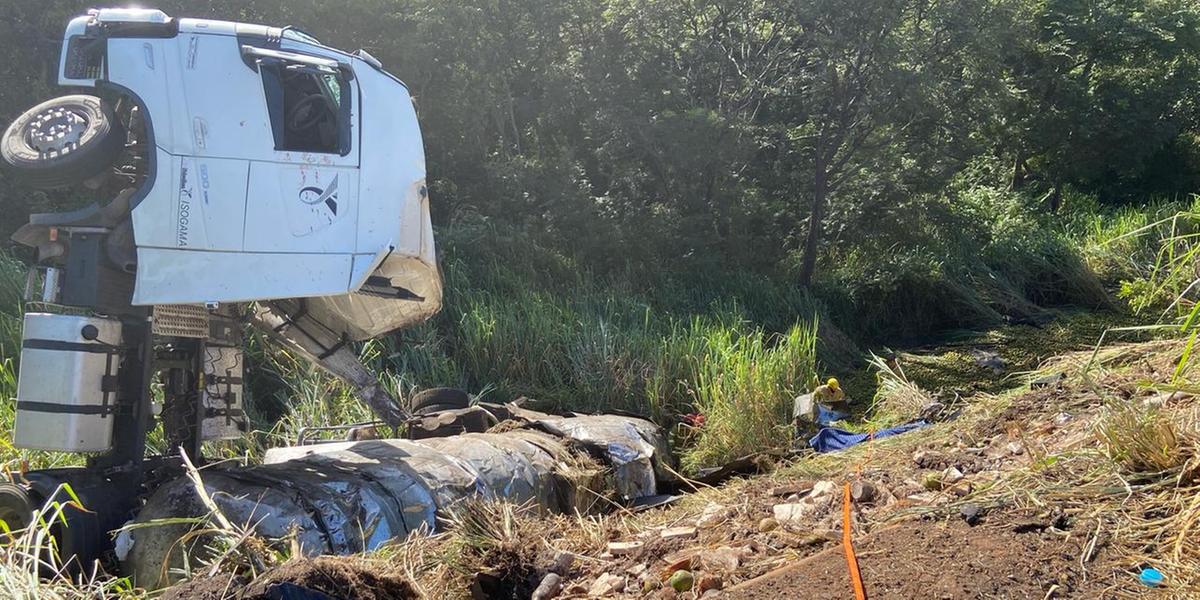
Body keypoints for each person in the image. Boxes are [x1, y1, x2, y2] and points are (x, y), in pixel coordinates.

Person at [793, 378, 848, 443]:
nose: (834, 390)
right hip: (820, 405)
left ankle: (828, 427)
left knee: (832, 418)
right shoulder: (821, 389)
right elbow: (814, 398)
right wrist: (820, 405)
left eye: (835, 389)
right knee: (816, 416)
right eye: (832, 388)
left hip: (831, 407)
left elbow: (842, 400)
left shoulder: (839, 391)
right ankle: (814, 427)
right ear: (828, 386)